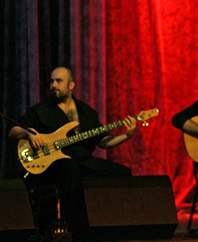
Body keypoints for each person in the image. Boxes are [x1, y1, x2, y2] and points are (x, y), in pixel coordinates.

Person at [8, 67, 137, 240]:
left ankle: (114, 226)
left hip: (83, 161)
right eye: (51, 81)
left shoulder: (86, 112)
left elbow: (104, 142)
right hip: (54, 165)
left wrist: (126, 135)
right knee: (70, 168)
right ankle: (79, 230)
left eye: (59, 81)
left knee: (122, 173)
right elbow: (13, 131)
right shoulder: (40, 111)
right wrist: (29, 134)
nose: (53, 85)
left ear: (71, 85)